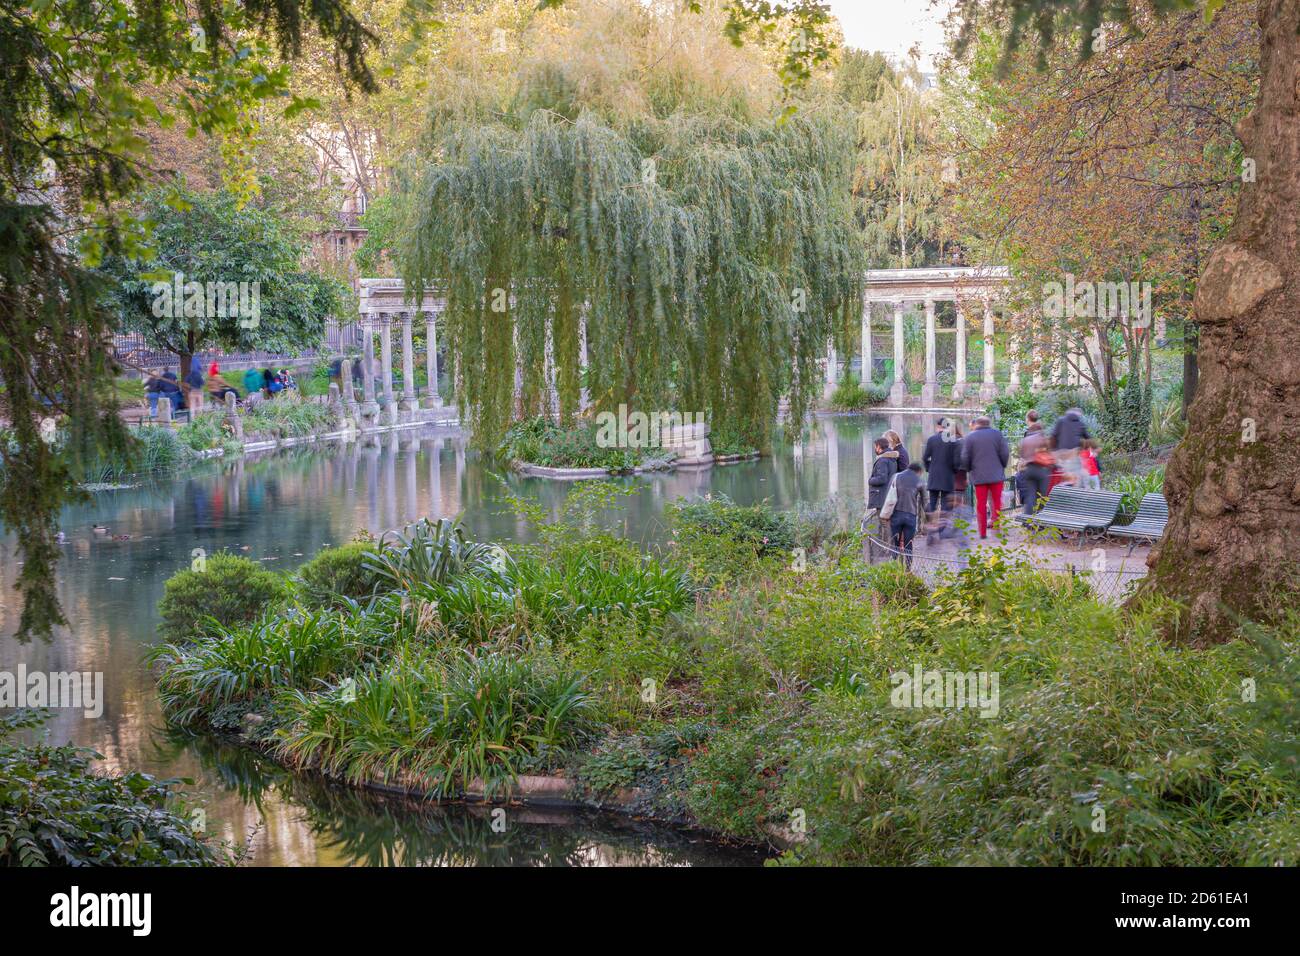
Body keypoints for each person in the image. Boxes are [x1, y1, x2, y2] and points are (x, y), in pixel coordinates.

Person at [960, 415, 1010, 539]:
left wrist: (969, 469)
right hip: (996, 476)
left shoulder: (970, 437)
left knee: (981, 504)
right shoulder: (997, 434)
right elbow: (1005, 453)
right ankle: (997, 528)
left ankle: (982, 533)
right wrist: (1002, 466)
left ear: (977, 424)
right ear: (989, 424)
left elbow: (965, 457)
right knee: (997, 502)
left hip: (979, 476)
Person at [1017, 409, 1053, 515]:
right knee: (1042, 496)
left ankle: (1028, 521)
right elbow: (1050, 453)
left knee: (1030, 496)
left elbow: (1022, 455)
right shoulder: (1043, 438)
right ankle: (1041, 521)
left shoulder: (1025, 439)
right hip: (1042, 469)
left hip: (1029, 470)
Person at [922, 417, 959, 512]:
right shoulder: (953, 441)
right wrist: (954, 471)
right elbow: (956, 462)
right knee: (945, 505)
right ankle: (942, 526)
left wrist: (929, 468)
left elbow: (925, 457)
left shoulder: (932, 439)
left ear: (938, 426)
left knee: (932, 503)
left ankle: (930, 524)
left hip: (934, 475)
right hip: (948, 476)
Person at [891, 462, 924, 568]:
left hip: (896, 514)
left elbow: (888, 494)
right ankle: (908, 569)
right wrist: (931, 518)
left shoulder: (896, 477)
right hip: (911, 515)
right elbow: (925, 501)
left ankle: (894, 567)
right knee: (908, 544)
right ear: (918, 471)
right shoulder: (919, 481)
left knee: (895, 543)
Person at [867, 437, 900, 513]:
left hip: (881, 497)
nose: (875, 449)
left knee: (883, 522)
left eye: (875, 447)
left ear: (878, 446)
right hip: (888, 495)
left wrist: (870, 480)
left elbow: (882, 478)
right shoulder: (892, 459)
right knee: (886, 521)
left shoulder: (882, 460)